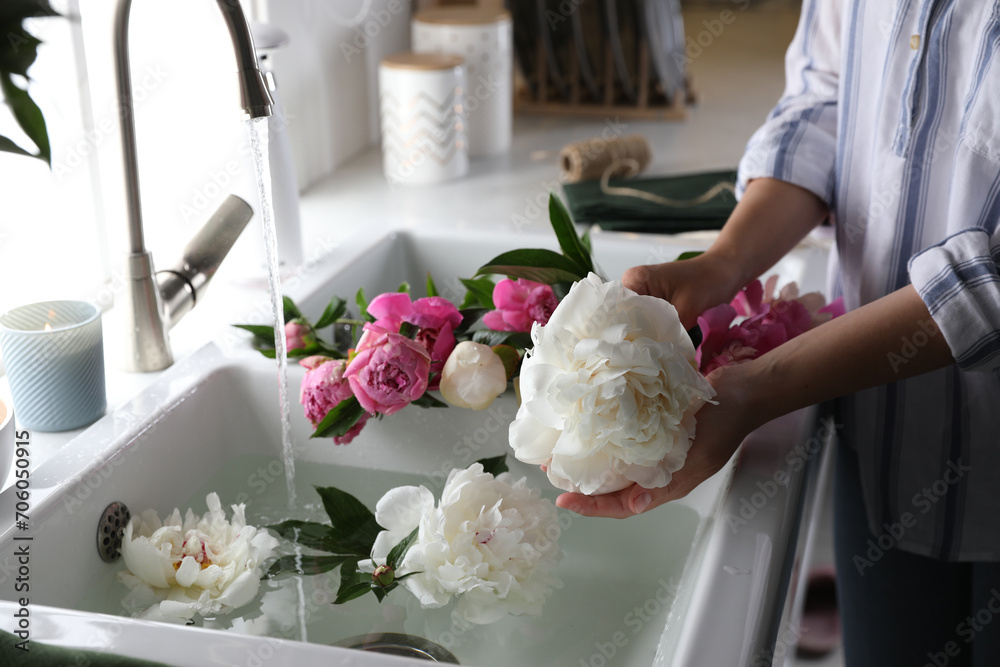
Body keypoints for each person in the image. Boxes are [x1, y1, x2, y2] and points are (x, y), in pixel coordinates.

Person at [556, 1, 1000, 665]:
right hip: (881, 444)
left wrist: (756, 392)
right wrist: (722, 264)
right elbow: (825, 102)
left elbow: (988, 280)